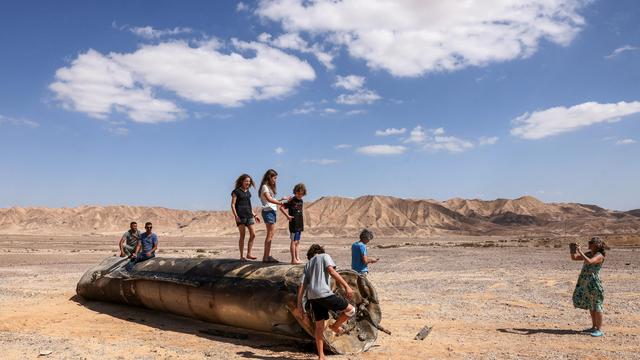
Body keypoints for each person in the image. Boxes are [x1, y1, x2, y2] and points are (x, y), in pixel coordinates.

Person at [297, 244, 356, 360]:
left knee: (319, 327)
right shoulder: (324, 256)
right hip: (324, 293)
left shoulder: (308, 264)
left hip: (312, 297)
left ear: (310, 254)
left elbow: (302, 285)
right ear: (320, 251)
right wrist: (346, 286)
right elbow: (331, 271)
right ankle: (335, 326)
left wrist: (299, 304)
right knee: (351, 310)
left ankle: (321, 356)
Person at [571, 236, 607, 337]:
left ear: (597, 245)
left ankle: (599, 329)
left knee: (597, 304)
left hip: (593, 282)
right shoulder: (590, 254)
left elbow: (589, 261)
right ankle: (594, 327)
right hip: (585, 281)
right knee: (592, 305)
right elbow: (574, 258)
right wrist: (573, 250)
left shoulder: (599, 255)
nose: (589, 244)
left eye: (591, 242)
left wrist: (580, 251)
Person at [258, 169, 290, 262]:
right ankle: (266, 257)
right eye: (274, 178)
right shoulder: (265, 187)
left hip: (271, 211)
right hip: (268, 211)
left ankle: (267, 256)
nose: (275, 180)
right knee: (270, 234)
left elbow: (271, 200)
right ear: (269, 177)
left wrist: (281, 199)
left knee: (271, 234)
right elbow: (269, 199)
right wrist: (281, 203)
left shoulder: (267, 187)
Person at [231, 174, 261, 261]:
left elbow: (249, 205)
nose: (248, 182)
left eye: (249, 181)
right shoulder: (236, 191)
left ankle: (249, 254)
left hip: (249, 215)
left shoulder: (248, 192)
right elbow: (233, 204)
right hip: (240, 216)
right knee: (242, 236)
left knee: (253, 234)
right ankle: (241, 256)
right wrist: (236, 216)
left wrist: (255, 215)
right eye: (246, 181)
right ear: (242, 181)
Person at [283, 183, 306, 264]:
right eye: (298, 193)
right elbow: (281, 207)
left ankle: (297, 258)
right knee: (293, 241)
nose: (300, 195)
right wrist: (287, 216)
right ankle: (293, 259)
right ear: (295, 192)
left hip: (299, 224)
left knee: (297, 242)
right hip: (293, 224)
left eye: (302, 194)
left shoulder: (301, 201)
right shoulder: (291, 201)